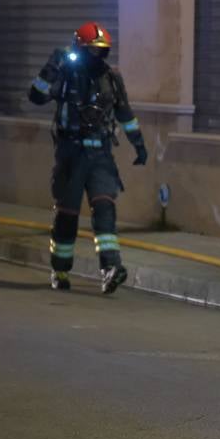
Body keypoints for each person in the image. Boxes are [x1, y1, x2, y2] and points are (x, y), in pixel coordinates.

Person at [28, 21, 147, 293]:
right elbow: (36, 95)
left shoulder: (111, 78)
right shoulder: (65, 74)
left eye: (102, 51)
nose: (98, 56)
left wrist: (138, 144)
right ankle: (60, 269)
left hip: (100, 153)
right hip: (71, 152)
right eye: (93, 51)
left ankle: (111, 267)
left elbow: (125, 113)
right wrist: (51, 67)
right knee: (67, 214)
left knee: (105, 208)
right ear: (80, 50)